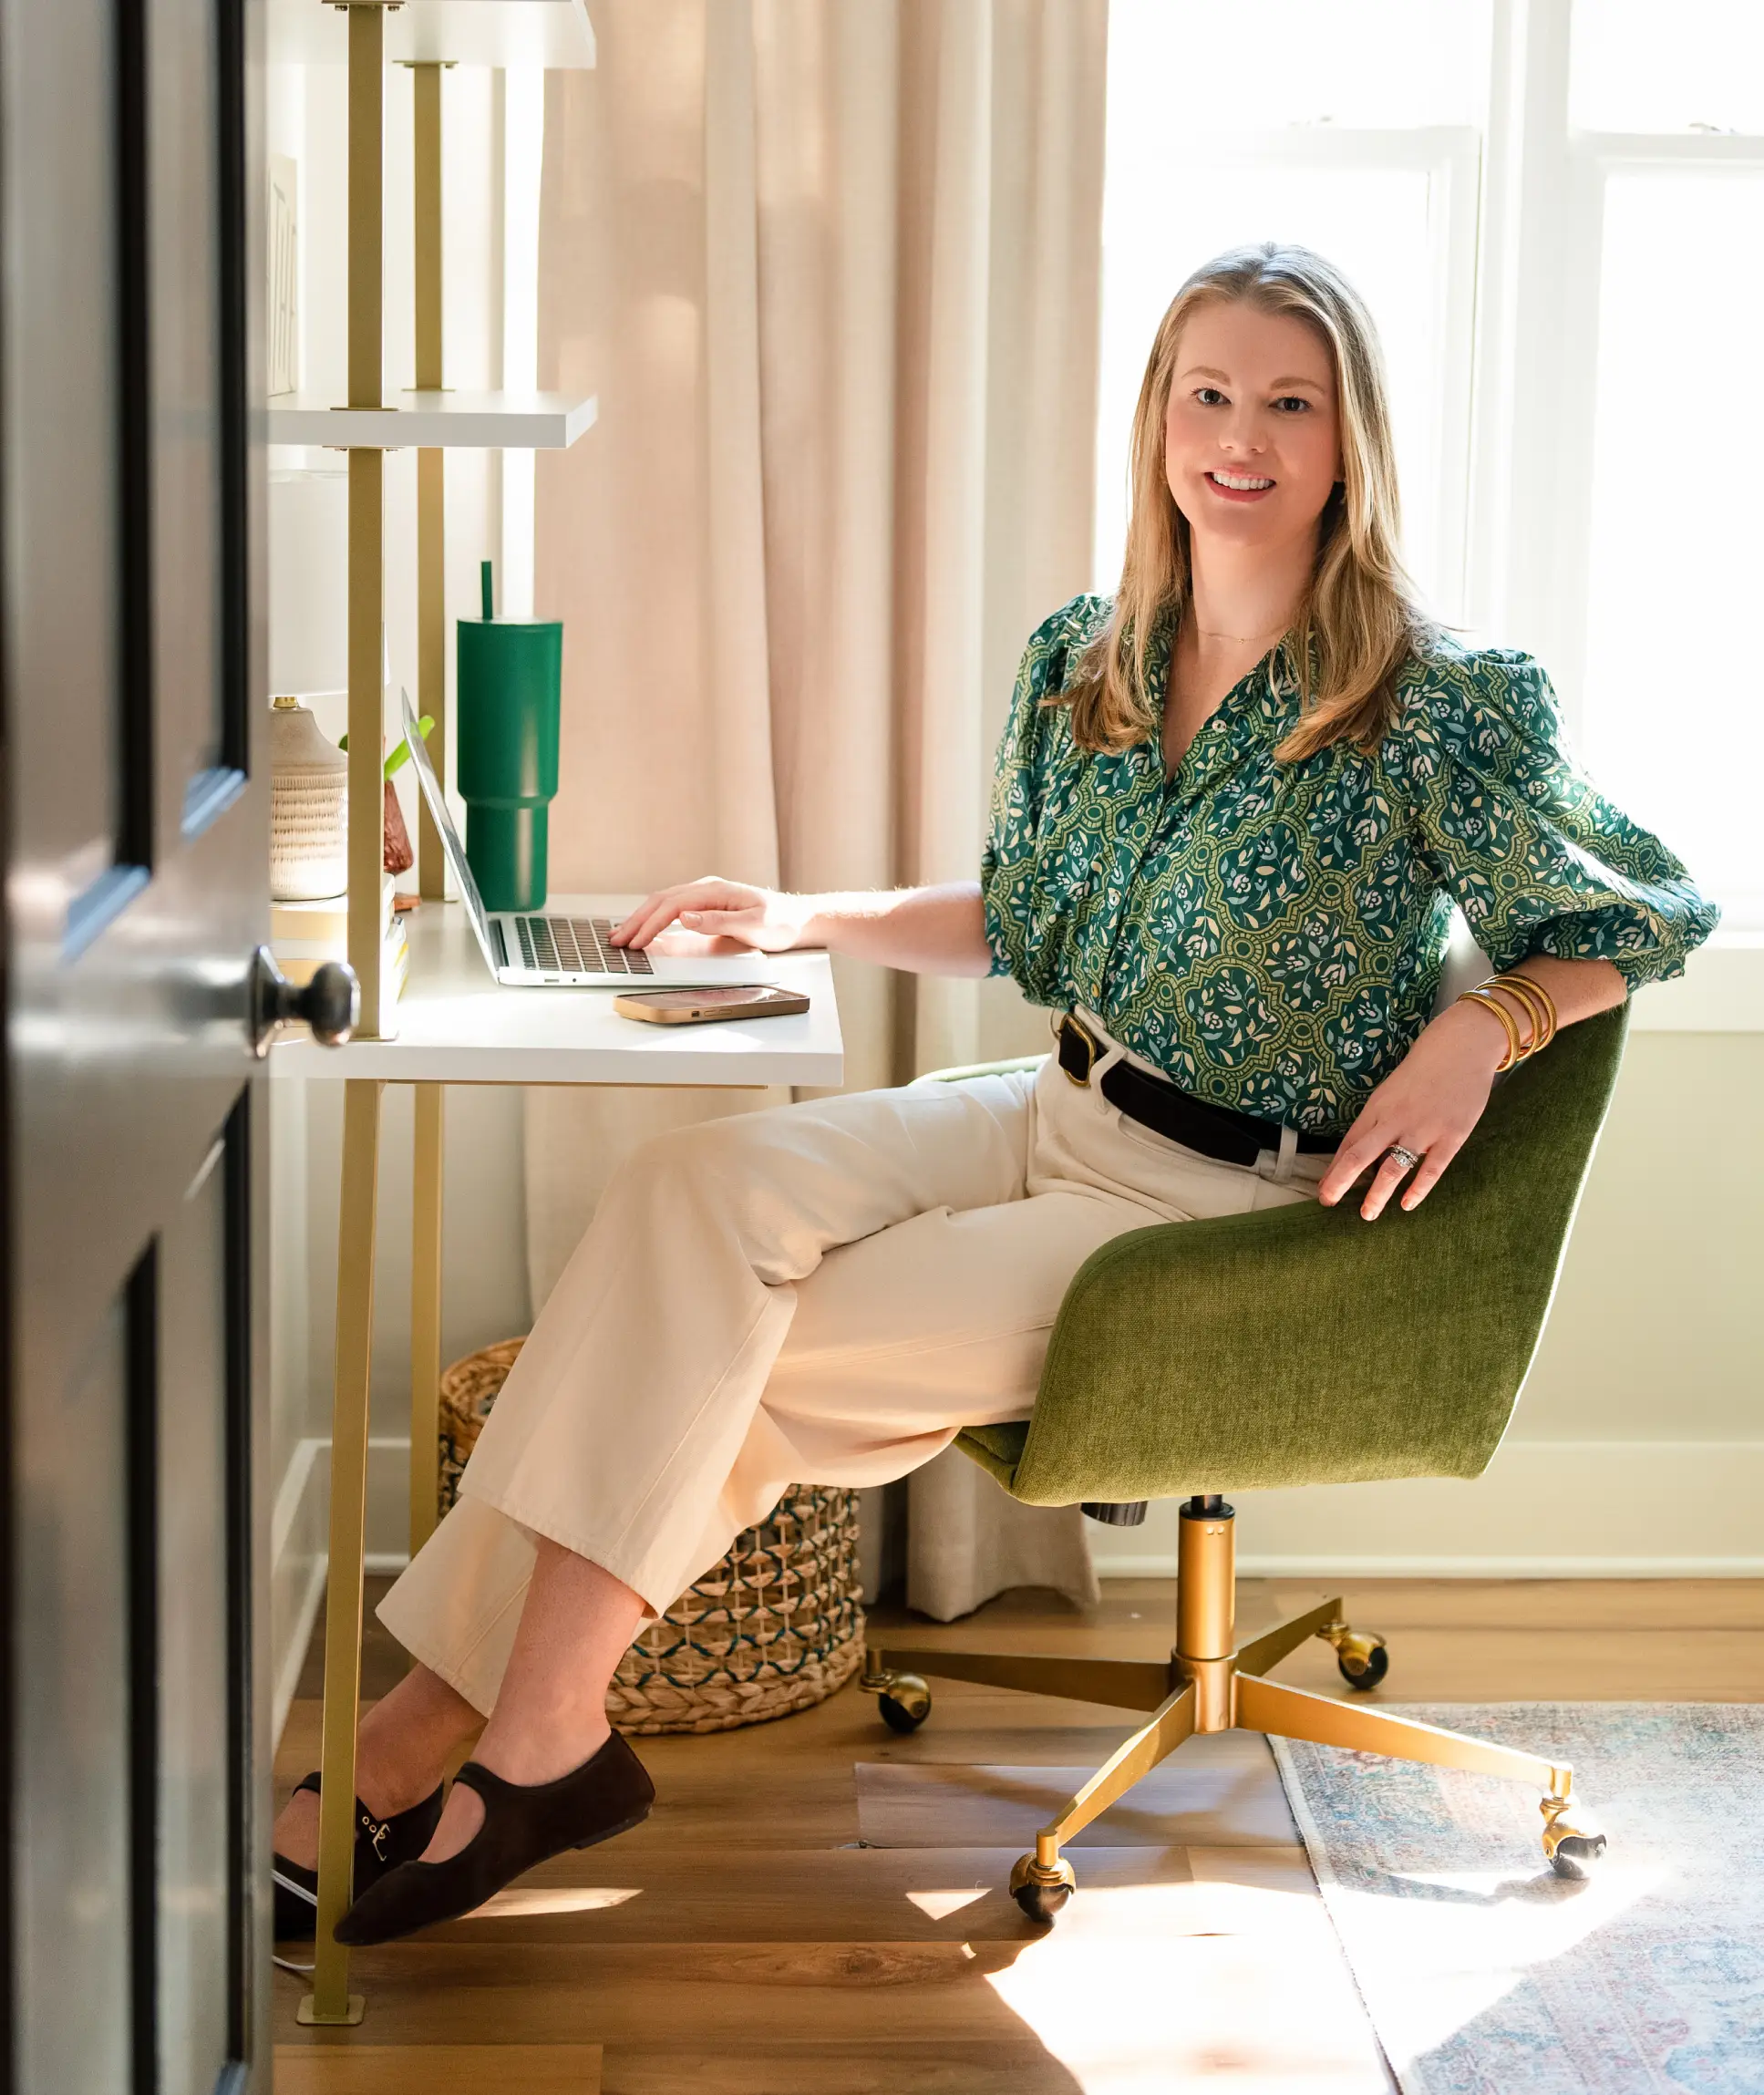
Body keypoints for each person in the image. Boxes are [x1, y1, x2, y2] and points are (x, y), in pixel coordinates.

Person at [273, 242, 1717, 1945]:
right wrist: (801, 909)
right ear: (1156, 421)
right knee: (683, 1199)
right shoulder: (1086, 660)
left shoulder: (1433, 704)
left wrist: (1489, 1026)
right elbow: (1023, 925)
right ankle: (507, 1739)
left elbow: (1644, 911)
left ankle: (468, 1739)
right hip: (1053, 1108)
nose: (1236, 438)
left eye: (1285, 402)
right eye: (1205, 394)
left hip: (1219, 1208)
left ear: (1347, 442)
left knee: (728, 1359)